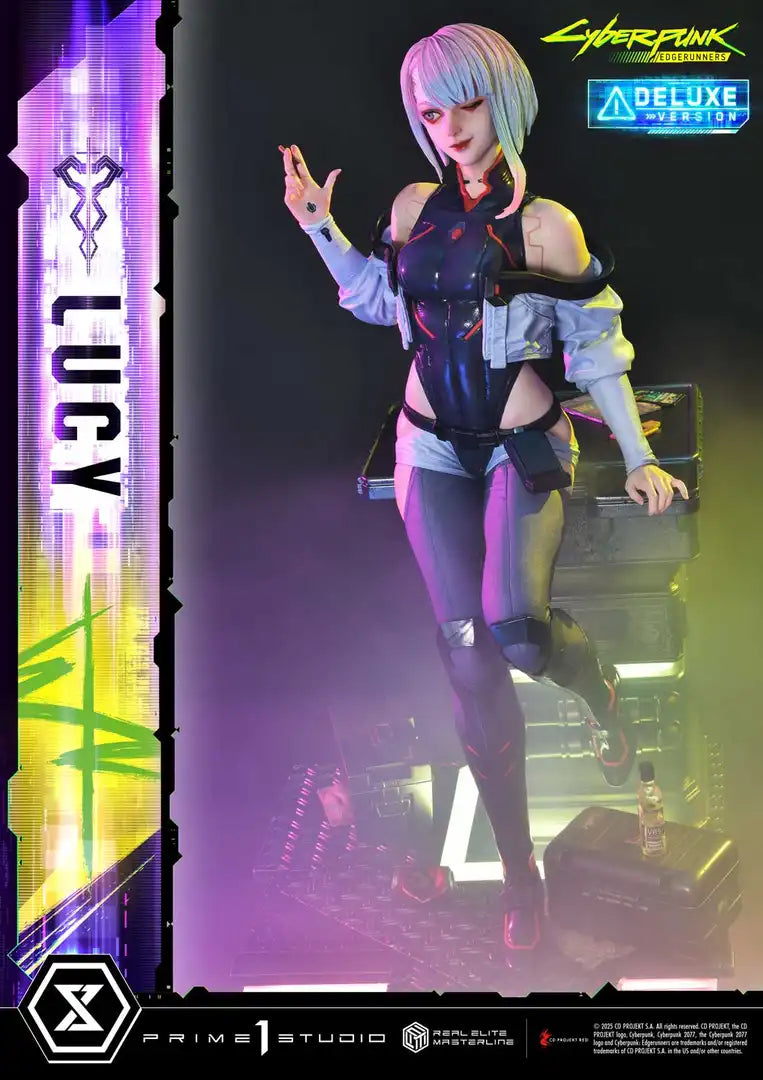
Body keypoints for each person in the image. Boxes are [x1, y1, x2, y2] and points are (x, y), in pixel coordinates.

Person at [279, 23, 689, 963]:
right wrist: (316, 227)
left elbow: (597, 352)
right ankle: (517, 871)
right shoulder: (411, 206)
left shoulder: (547, 227)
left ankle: (601, 699)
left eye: (467, 103)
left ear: (503, 99)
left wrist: (637, 457)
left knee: (519, 634)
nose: (452, 126)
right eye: (431, 111)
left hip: (519, 445)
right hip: (429, 449)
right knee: (465, 654)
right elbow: (377, 302)